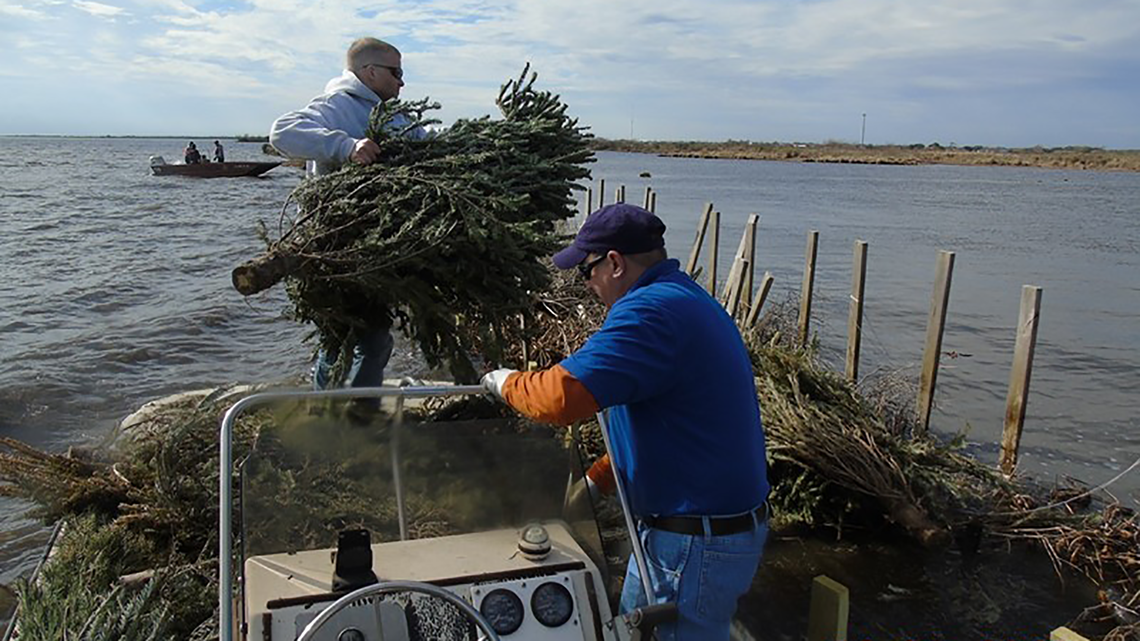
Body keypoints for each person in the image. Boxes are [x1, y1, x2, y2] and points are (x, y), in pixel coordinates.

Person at [481, 203, 770, 641]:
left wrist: (502, 382)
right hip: (699, 533)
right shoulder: (685, 298)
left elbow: (560, 397)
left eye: (587, 270)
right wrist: (599, 478)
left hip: (691, 544)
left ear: (614, 263)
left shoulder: (652, 314)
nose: (586, 283)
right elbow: (670, 422)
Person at [269, 37, 426, 391]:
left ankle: (339, 409)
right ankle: (345, 414)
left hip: (380, 245)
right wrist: (346, 145)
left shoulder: (395, 115)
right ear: (369, 72)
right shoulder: (336, 105)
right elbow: (282, 132)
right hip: (334, 247)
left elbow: (427, 141)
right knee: (353, 339)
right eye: (396, 72)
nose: (402, 81)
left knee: (365, 338)